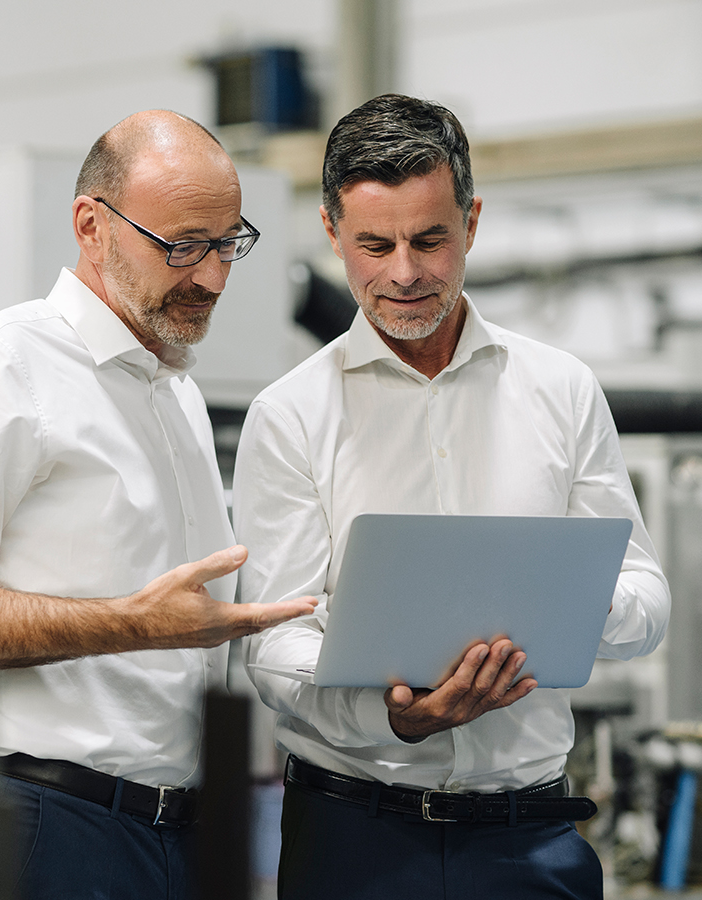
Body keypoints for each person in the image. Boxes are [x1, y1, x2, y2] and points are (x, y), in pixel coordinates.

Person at [0, 109, 316, 899]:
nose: (209, 276)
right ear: (91, 225)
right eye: (180, 245)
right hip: (49, 823)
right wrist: (132, 623)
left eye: (225, 244)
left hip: (177, 832)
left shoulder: (172, 392)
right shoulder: (4, 361)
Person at [234, 94, 670, 899]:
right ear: (332, 234)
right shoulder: (290, 416)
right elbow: (272, 647)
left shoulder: (562, 391)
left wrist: (564, 605)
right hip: (352, 840)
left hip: (529, 839)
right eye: (375, 244)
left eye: (430, 239)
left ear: (471, 222)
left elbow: (646, 598)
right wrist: (396, 719)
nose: (403, 272)